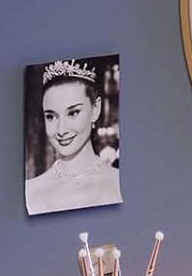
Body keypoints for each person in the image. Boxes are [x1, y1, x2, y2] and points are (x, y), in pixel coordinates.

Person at [24, 58, 121, 215]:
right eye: (51, 116)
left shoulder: (119, 182)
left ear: (95, 110)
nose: (61, 130)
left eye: (73, 113)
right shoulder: (30, 191)